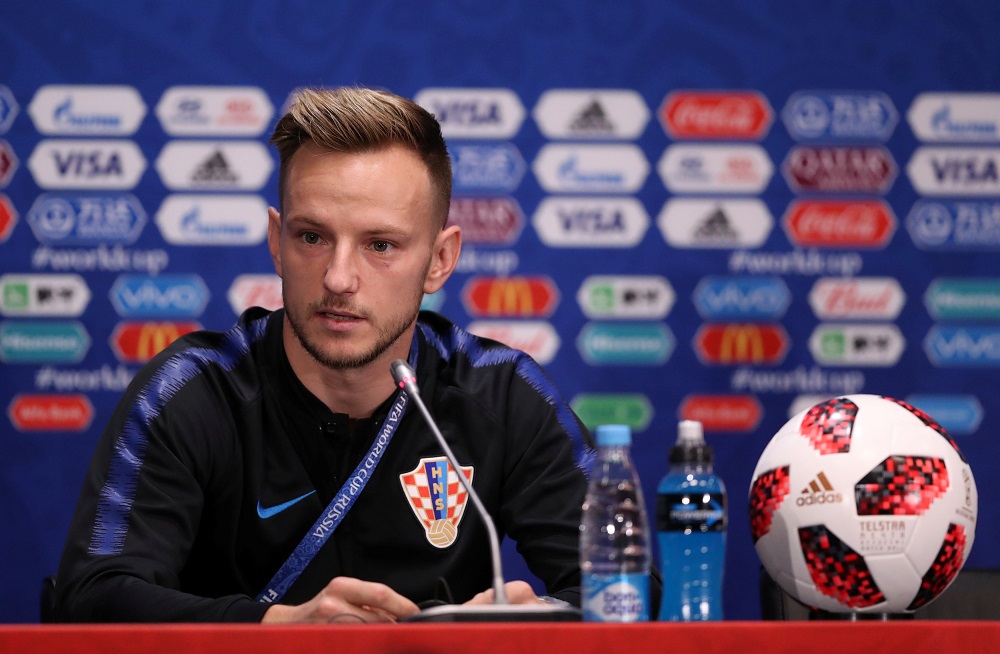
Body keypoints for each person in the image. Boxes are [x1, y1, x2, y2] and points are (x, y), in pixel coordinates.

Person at [52, 86, 595, 623]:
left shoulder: (503, 394)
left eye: (380, 245)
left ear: (440, 259)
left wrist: (544, 614)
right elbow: (95, 595)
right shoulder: (193, 391)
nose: (338, 278)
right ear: (275, 241)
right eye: (311, 237)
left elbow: (629, 585)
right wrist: (275, 630)